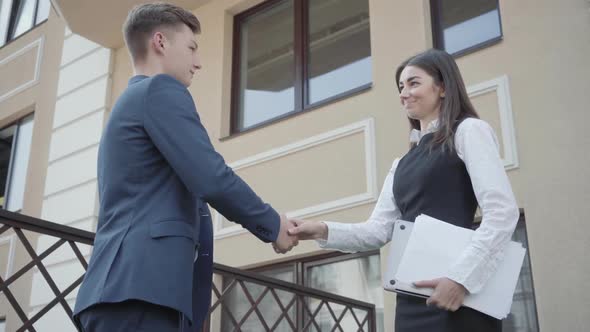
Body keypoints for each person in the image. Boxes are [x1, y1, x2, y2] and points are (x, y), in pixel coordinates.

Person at [72, 3, 297, 332]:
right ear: (160, 42)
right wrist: (273, 224)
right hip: (141, 295)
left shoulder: (130, 103)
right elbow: (211, 177)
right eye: (192, 48)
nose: (199, 62)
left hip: (125, 293)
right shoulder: (159, 90)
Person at [288, 48, 519, 332]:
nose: (403, 93)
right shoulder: (401, 163)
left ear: (443, 87)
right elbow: (376, 231)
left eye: (413, 83)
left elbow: (502, 213)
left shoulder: (469, 131)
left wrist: (461, 279)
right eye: (400, 86)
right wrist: (320, 230)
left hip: (458, 294)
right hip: (411, 298)